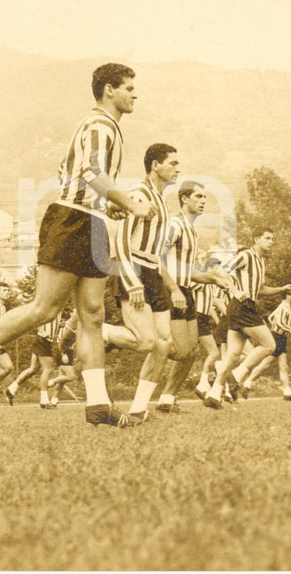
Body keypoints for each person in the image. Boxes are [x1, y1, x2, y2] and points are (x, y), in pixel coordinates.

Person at [0, 63, 156, 429]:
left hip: (92, 222)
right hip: (71, 221)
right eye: (128, 87)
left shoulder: (105, 127)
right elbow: (90, 172)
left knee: (93, 315)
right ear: (109, 90)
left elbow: (68, 170)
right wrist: (129, 203)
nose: (135, 94)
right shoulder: (99, 124)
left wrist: (105, 203)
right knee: (45, 308)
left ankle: (98, 405)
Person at [109, 143, 181, 424]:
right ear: (155, 165)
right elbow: (120, 241)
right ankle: (95, 331)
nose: (177, 168)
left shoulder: (162, 200)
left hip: (152, 271)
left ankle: (139, 408)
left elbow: (155, 250)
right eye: (172, 163)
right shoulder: (138, 194)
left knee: (164, 344)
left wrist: (167, 283)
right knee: (146, 341)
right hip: (134, 270)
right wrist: (132, 281)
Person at [154, 182, 234, 412]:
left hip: (186, 292)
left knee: (191, 352)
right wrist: (174, 289)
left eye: (204, 197)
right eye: (198, 196)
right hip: (171, 292)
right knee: (177, 350)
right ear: (184, 199)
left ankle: (167, 399)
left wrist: (212, 278)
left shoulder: (192, 230)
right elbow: (156, 259)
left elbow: (187, 271)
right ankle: (134, 342)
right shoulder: (175, 225)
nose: (203, 201)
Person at [204, 229, 291, 409]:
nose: (271, 242)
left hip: (243, 307)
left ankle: (213, 394)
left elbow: (260, 289)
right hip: (241, 306)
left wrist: (281, 289)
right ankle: (237, 375)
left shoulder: (261, 262)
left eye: (272, 238)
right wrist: (235, 290)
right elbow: (222, 270)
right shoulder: (246, 255)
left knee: (233, 355)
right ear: (256, 239)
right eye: (267, 238)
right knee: (269, 345)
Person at [241, 289, 291, 401]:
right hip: (277, 339)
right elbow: (279, 322)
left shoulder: (284, 306)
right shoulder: (284, 308)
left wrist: (276, 328)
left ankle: (287, 393)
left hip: (281, 339)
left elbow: (270, 317)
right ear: (288, 296)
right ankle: (247, 383)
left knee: (283, 367)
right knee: (265, 364)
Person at [3, 310, 63, 409]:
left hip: (43, 340)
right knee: (48, 369)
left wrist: (60, 325)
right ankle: (44, 400)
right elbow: (38, 317)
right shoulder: (52, 304)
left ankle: (11, 389)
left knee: (33, 368)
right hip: (44, 340)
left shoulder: (58, 307)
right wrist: (42, 331)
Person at [190, 258, 225, 400]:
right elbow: (188, 287)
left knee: (189, 353)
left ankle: (202, 385)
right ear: (209, 269)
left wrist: (217, 321)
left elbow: (209, 306)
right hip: (197, 317)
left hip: (202, 319)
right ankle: (202, 385)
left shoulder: (211, 285)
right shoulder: (201, 281)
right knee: (214, 352)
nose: (219, 271)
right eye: (216, 268)